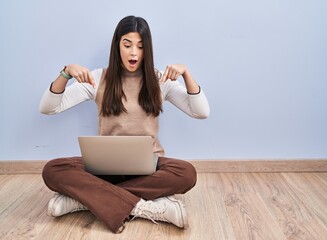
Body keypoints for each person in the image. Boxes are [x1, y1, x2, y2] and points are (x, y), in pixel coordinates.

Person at [39, 16, 210, 234]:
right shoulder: (98, 78)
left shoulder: (159, 80)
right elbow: (48, 107)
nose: (134, 53)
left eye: (140, 46)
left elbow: (201, 112)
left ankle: (84, 201)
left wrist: (186, 73)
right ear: (117, 45)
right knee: (53, 170)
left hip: (149, 167)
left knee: (186, 173)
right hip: (104, 168)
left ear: (147, 49)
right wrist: (65, 73)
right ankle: (145, 207)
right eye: (127, 45)